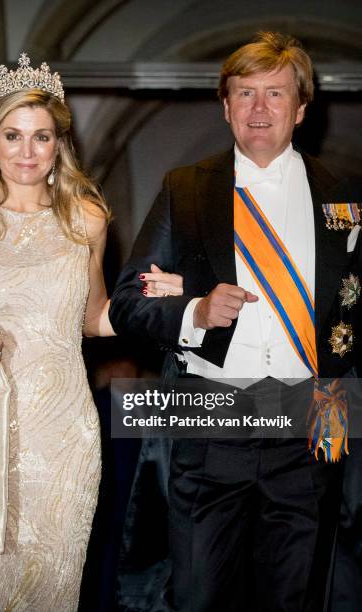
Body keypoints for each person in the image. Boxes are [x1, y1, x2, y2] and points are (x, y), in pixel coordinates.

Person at [110, 32, 362, 611]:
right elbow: (127, 302)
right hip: (211, 423)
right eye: (244, 93)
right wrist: (195, 313)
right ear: (225, 107)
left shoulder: (344, 195)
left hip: (308, 427)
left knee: (297, 597)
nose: (258, 109)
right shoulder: (185, 189)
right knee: (199, 597)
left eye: (275, 94)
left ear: (301, 109)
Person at [0, 54, 180, 611]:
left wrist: (165, 301)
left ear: (59, 144)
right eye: (12, 135)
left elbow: (93, 319)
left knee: (53, 596)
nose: (26, 152)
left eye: (41, 137)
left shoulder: (85, 219)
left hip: (67, 438)